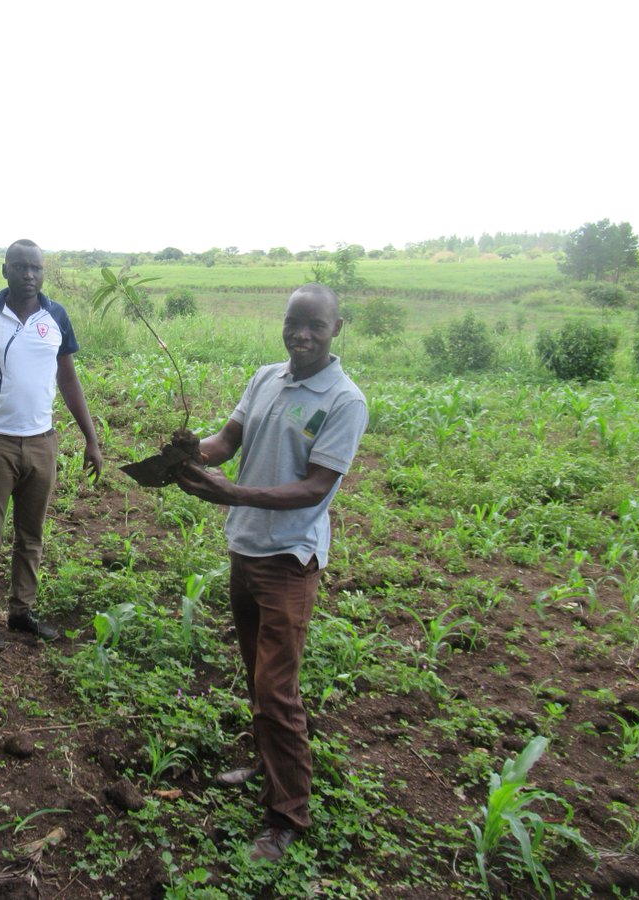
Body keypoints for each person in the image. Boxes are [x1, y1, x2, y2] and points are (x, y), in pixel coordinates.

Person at [174, 283, 367, 863]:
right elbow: (228, 439)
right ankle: (266, 766)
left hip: (289, 560)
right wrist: (194, 451)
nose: (301, 335)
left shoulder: (344, 400)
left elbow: (314, 487)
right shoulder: (266, 378)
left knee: (276, 690)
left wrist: (234, 493)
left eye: (315, 326)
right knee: (256, 675)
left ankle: (288, 815)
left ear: (337, 329)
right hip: (246, 548)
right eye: (293, 323)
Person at [0, 239, 102, 648]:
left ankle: (22, 611)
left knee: (31, 534)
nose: (30, 275)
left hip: (42, 443)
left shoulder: (56, 316)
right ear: (5, 269)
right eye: (21, 267)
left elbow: (68, 379)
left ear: (43, 272)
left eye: (37, 268)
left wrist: (91, 438)